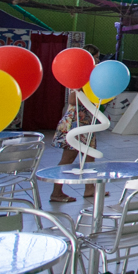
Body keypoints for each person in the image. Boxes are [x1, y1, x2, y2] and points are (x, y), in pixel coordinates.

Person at [49, 44, 101, 203]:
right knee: (68, 159)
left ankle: (89, 188)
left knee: (90, 156)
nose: (99, 60)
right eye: (97, 57)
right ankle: (56, 192)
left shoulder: (91, 76)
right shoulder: (81, 75)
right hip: (77, 123)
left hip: (86, 121)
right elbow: (73, 99)